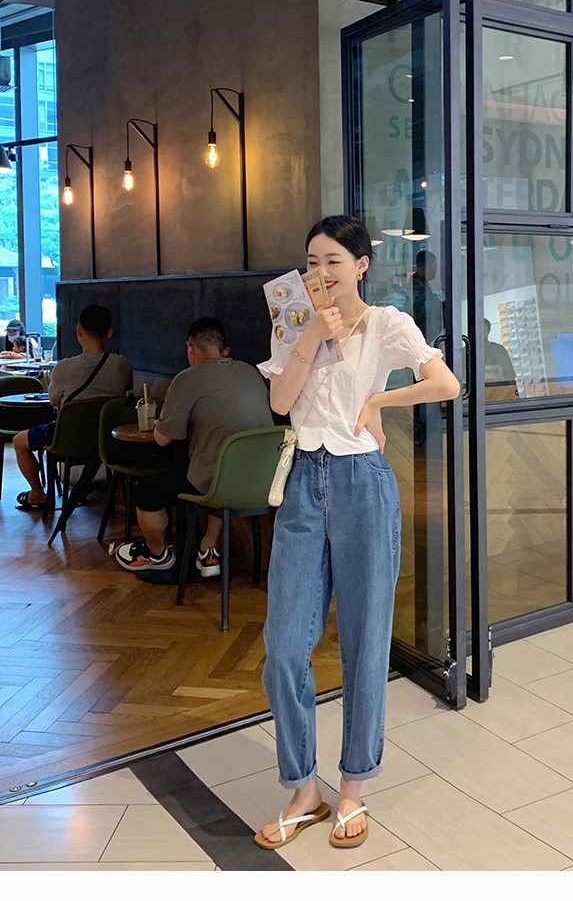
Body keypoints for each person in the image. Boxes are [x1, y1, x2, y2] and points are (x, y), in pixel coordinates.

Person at [255, 215, 459, 851]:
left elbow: (445, 383)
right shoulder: (293, 319)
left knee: (367, 641)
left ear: (362, 266)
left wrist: (376, 404)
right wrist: (313, 334)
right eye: (312, 262)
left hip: (361, 483)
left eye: (334, 262)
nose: (321, 274)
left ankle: (352, 789)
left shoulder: (386, 323)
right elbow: (280, 403)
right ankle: (303, 791)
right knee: (284, 645)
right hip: (301, 481)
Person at [113, 317, 273, 575]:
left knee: (146, 491)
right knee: (212, 463)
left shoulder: (187, 378)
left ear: (190, 347)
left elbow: (163, 439)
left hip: (218, 484)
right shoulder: (251, 372)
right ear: (224, 350)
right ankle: (208, 548)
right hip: (262, 481)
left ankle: (157, 554)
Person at [14, 304, 133, 511]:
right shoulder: (122, 364)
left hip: (68, 439)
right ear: (109, 333)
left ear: (79, 330)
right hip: (107, 440)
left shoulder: (64, 367)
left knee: (19, 441)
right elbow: (126, 389)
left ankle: (37, 493)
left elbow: (53, 401)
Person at [483, 318, 516, 384]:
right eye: (477, 330)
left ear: (488, 331)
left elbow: (509, 376)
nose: (480, 333)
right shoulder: (465, 352)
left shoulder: (499, 350)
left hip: (497, 388)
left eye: (483, 330)